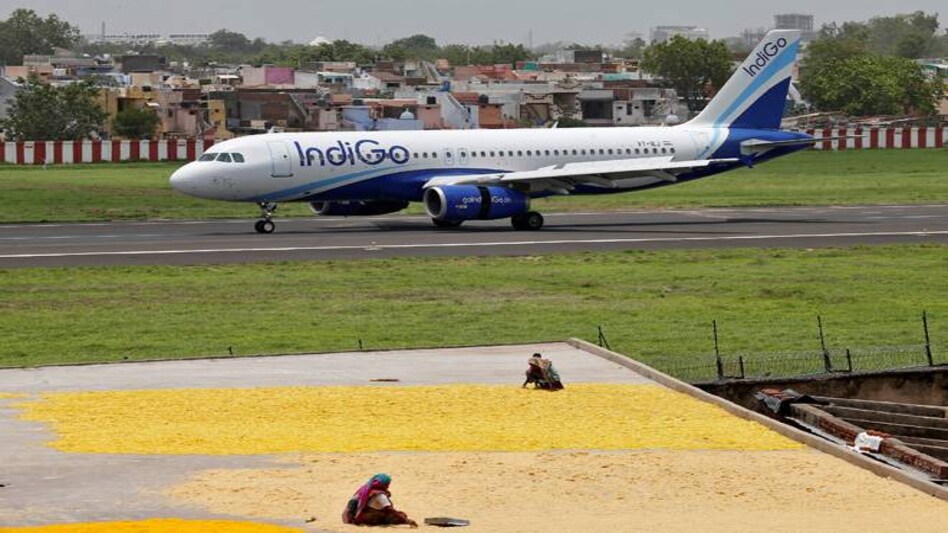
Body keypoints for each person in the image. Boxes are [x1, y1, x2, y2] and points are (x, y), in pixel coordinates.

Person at [342, 473, 418, 528]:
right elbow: (389, 509)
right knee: (401, 514)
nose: (388, 486)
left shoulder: (365, 489)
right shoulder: (380, 495)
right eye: (388, 484)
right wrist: (406, 520)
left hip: (357, 516)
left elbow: (352, 503)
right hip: (368, 518)